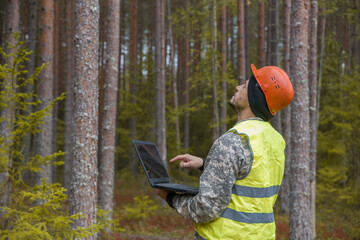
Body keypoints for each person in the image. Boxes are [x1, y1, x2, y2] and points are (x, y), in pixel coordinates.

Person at [155, 64, 294, 240]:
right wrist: (206, 165)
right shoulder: (275, 141)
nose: (237, 87)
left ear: (255, 97)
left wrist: (170, 197)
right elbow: (249, 181)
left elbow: (206, 208)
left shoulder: (233, 141)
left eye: (244, 86)